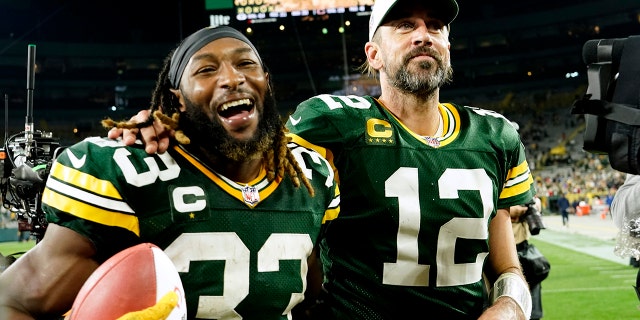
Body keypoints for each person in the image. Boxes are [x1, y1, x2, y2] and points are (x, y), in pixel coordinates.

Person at [114, 0, 537, 318]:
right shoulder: (334, 122)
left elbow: (507, 266)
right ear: (373, 54)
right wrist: (180, 129)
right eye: (405, 25)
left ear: (447, 45)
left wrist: (511, 307)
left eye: (435, 26)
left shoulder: (494, 136)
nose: (423, 35)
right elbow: (243, 158)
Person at [0, 25, 341, 319]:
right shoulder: (128, 172)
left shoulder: (310, 177)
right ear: (176, 100)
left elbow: (312, 293)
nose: (232, 78)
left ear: (266, 82)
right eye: (206, 70)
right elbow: (11, 301)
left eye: (246, 64)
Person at [510, 204, 545, 320]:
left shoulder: (524, 189)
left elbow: (537, 204)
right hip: (504, 248)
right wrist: (508, 211)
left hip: (523, 248)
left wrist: (533, 206)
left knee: (533, 309)